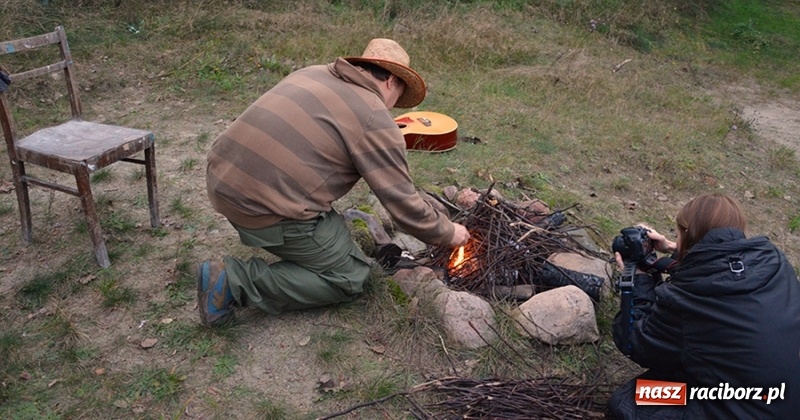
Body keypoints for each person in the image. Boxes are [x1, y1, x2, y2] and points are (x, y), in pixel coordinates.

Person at [197, 38, 470, 327]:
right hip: (259, 206)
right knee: (349, 277)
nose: (392, 107)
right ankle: (232, 281)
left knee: (332, 231)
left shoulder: (312, 72)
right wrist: (449, 232)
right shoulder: (373, 117)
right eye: (398, 95)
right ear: (391, 80)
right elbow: (402, 204)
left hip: (220, 178)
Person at [608, 193, 800, 419]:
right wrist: (673, 249)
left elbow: (636, 344)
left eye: (678, 235)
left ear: (688, 234)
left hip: (742, 409)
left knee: (633, 397)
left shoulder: (688, 297)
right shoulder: (774, 262)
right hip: (788, 400)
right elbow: (721, 270)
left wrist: (639, 279)